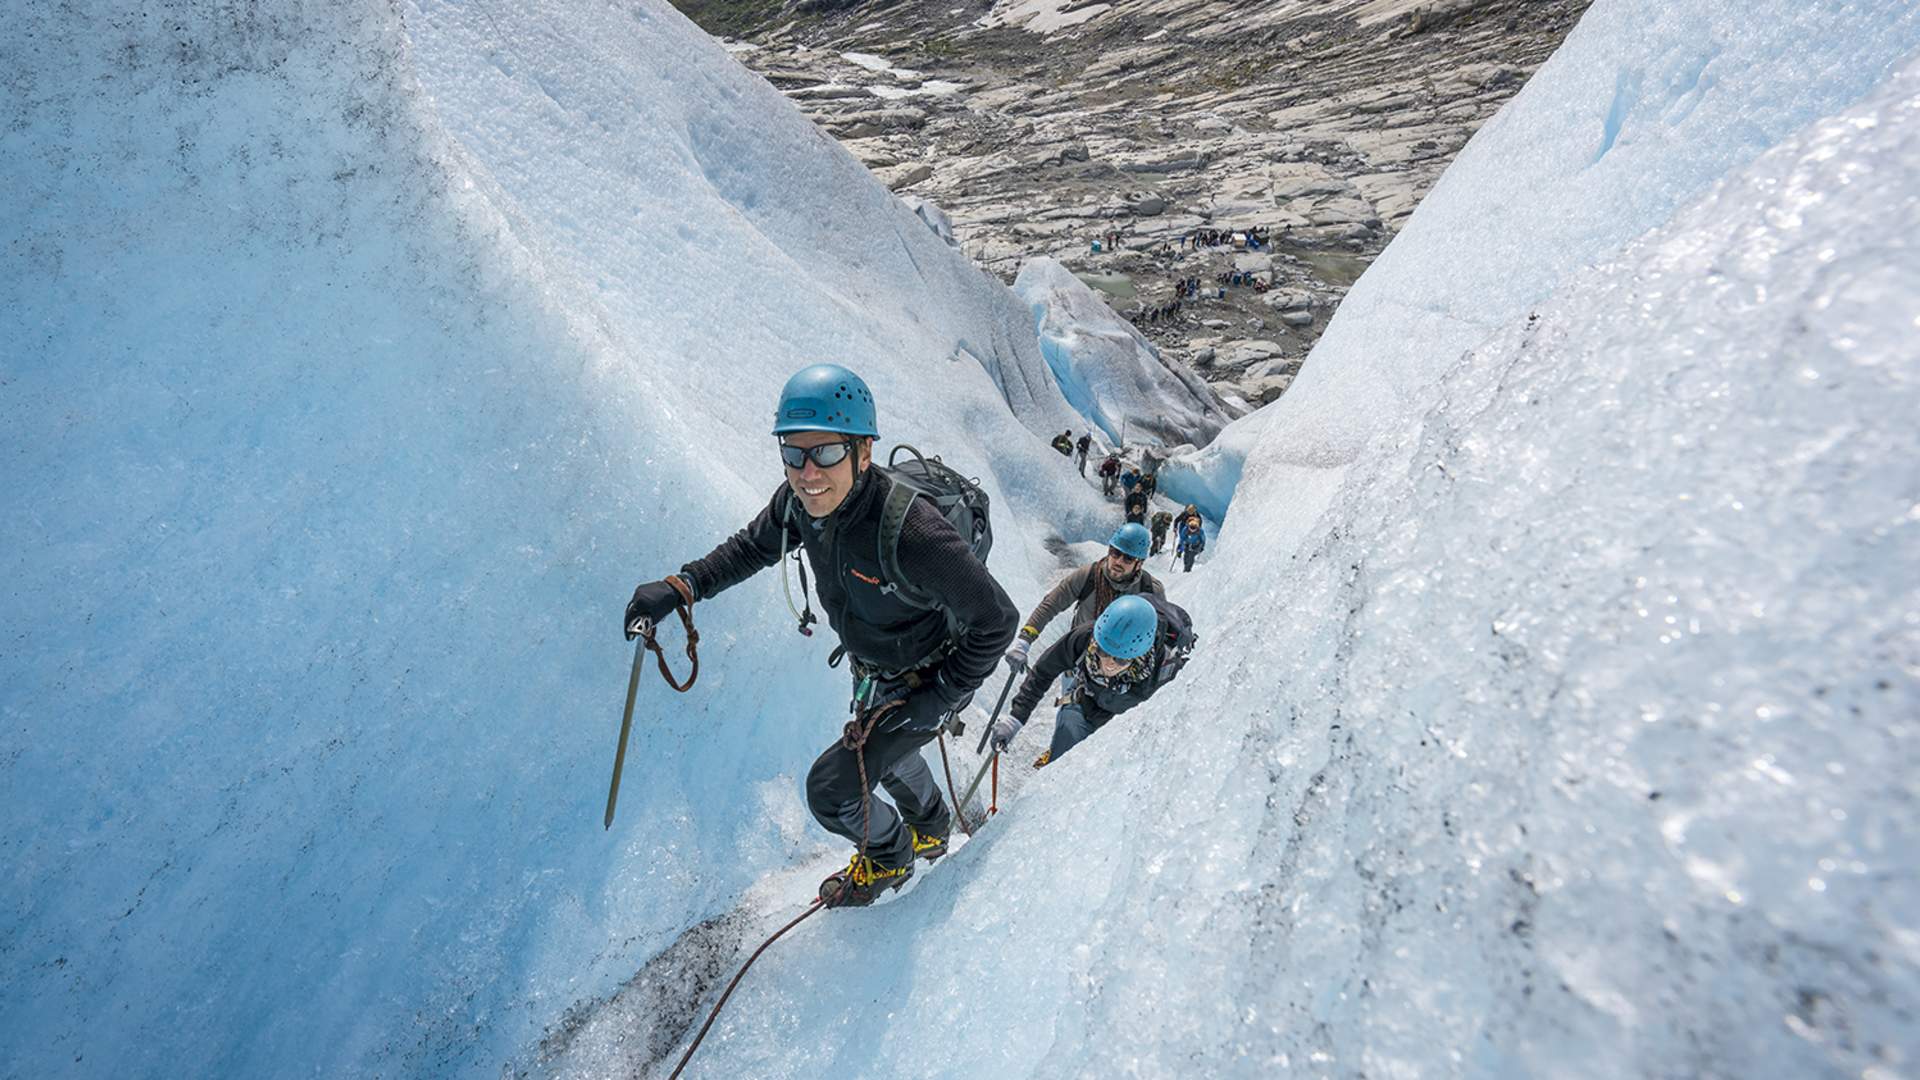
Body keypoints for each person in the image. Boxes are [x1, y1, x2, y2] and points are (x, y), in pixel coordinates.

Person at [623, 364, 1018, 907]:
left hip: (931, 675)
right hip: (877, 670)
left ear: (864, 451)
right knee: (890, 754)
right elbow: (749, 549)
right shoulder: (799, 507)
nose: (808, 472)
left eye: (827, 451)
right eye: (794, 453)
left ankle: (890, 857)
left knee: (832, 792)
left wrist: (940, 697)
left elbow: (997, 618)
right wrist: (683, 585)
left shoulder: (912, 531)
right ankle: (930, 825)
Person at [990, 593, 1196, 766]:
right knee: (1064, 752)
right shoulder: (1085, 637)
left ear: (1140, 654)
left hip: (1129, 727)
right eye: (1102, 652)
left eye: (1120, 659)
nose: (1107, 663)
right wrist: (1015, 719)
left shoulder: (1166, 669)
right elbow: (1044, 671)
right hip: (1085, 703)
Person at [1002, 523, 1163, 675]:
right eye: (1115, 553)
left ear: (1139, 563)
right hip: (1080, 660)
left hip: (1121, 671)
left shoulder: (1150, 590)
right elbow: (1051, 604)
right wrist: (1023, 642)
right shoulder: (1089, 576)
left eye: (1128, 558)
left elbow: (1159, 635)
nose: (1118, 561)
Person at [1175, 508, 1205, 573]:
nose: (1192, 530)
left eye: (1194, 528)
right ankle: (1186, 567)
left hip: (1195, 546)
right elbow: (1182, 539)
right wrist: (1180, 547)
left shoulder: (1200, 531)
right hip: (1187, 544)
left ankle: (1187, 570)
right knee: (1186, 557)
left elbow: (1203, 540)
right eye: (1191, 528)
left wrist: (1201, 547)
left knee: (1191, 557)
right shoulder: (1185, 529)